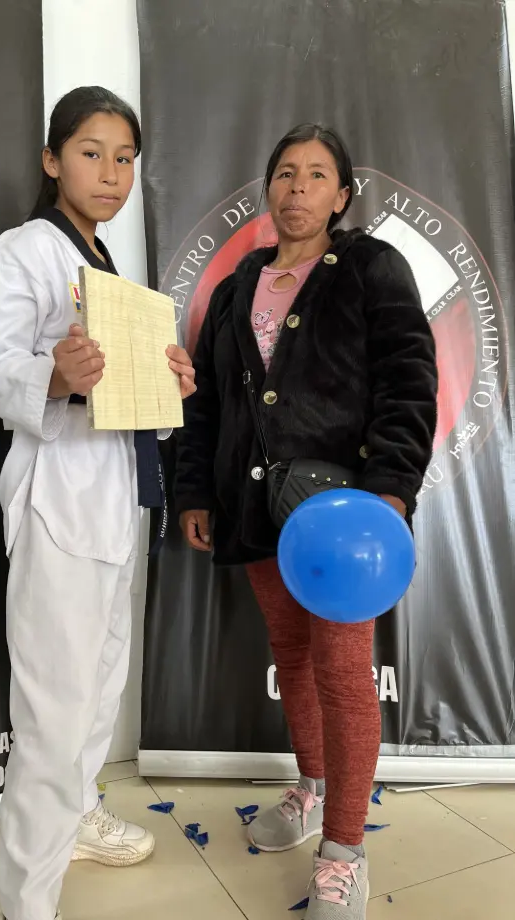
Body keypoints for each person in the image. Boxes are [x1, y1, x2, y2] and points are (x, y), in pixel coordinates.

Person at [175, 124, 438, 919]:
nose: (297, 187)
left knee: (343, 672)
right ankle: (313, 787)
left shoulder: (370, 267)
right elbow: (207, 403)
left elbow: (409, 377)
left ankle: (345, 851)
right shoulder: (235, 286)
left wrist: (391, 489)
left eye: (316, 175)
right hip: (255, 509)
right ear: (269, 188)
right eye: (285, 173)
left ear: (342, 195)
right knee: (291, 653)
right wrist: (196, 490)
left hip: (342, 514)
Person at [0, 86, 196, 920]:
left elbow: (129, 406)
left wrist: (169, 386)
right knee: (53, 713)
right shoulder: (27, 251)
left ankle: (77, 818)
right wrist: (54, 377)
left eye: (125, 158)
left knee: (100, 689)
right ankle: (26, 905)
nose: (110, 173)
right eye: (91, 153)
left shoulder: (109, 273)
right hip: (58, 506)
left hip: (116, 502)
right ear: (51, 160)